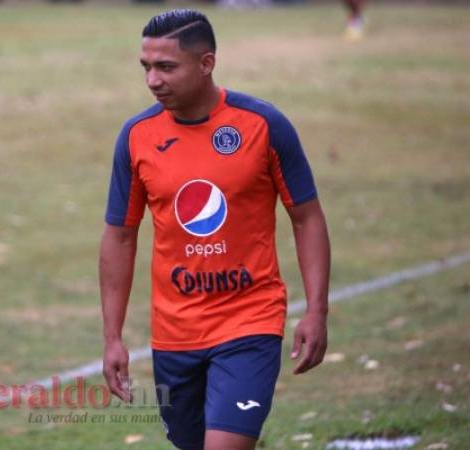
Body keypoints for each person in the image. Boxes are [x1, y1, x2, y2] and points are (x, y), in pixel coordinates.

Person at [99, 9, 330, 450]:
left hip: (250, 321)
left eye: (166, 67)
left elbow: (306, 217)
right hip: (174, 333)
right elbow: (120, 235)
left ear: (206, 63)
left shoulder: (262, 125)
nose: (152, 80)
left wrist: (317, 308)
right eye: (146, 67)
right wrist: (112, 337)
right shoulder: (136, 137)